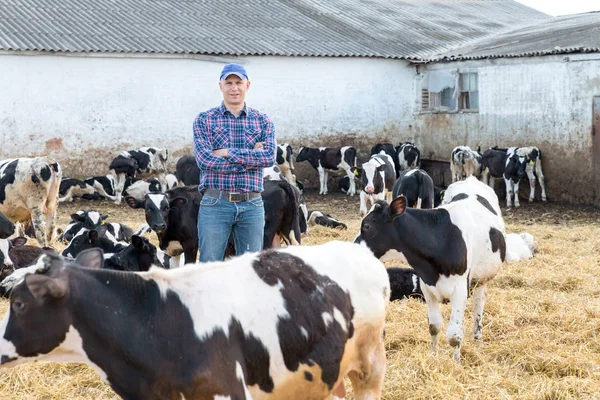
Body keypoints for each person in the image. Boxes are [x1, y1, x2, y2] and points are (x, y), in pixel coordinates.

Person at [193, 63, 276, 262]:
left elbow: (269, 157)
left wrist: (226, 152)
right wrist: (250, 160)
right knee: (209, 266)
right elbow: (204, 160)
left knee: (251, 268)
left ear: (247, 85)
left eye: (238, 82)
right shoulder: (204, 120)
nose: (234, 88)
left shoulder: (263, 121)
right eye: (228, 82)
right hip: (215, 203)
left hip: (252, 203)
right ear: (220, 86)